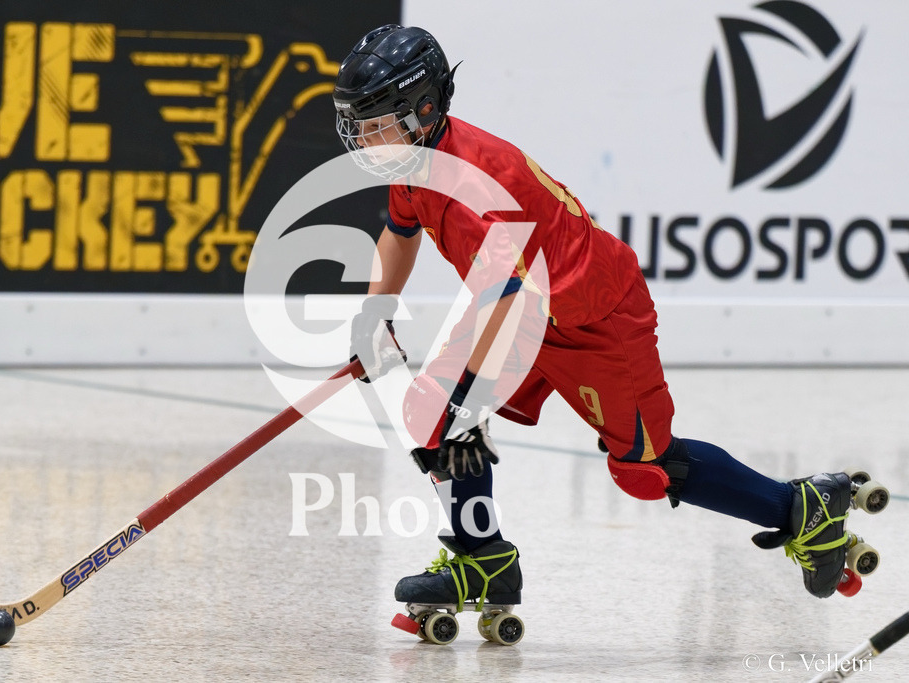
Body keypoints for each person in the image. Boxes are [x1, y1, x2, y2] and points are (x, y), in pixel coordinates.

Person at [332, 24, 879, 641]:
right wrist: (375, 313)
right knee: (437, 414)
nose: (366, 141)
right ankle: (483, 561)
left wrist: (466, 390)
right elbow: (401, 232)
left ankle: (801, 509)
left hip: (596, 318)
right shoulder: (412, 160)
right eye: (360, 125)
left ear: (425, 109)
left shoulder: (481, 185)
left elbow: (508, 296)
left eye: (376, 123)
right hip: (522, 306)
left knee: (646, 468)